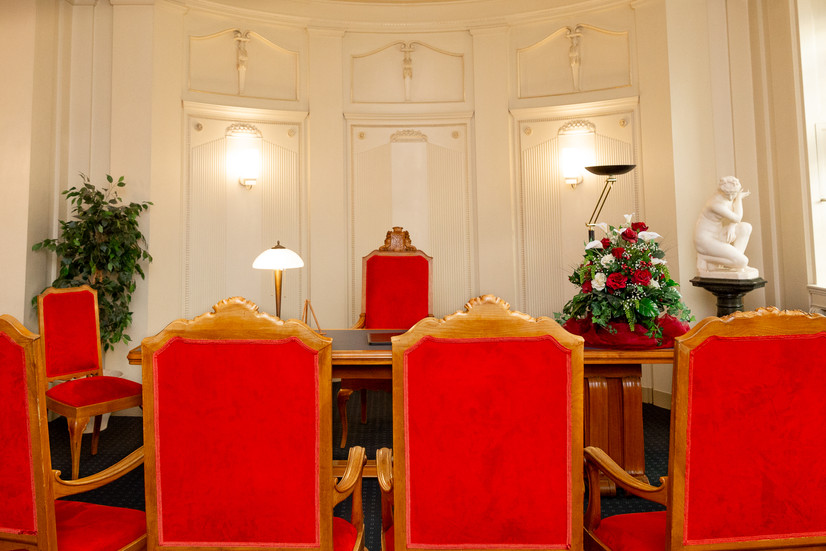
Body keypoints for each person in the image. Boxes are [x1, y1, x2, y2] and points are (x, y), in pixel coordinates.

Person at [694, 176, 756, 275]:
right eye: (728, 194)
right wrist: (739, 198)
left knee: (745, 227)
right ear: (722, 191)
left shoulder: (727, 196)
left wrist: (732, 226)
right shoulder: (715, 203)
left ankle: (737, 265)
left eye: (734, 194)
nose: (731, 197)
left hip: (718, 235)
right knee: (743, 261)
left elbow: (734, 218)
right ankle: (705, 257)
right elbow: (737, 218)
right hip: (706, 241)